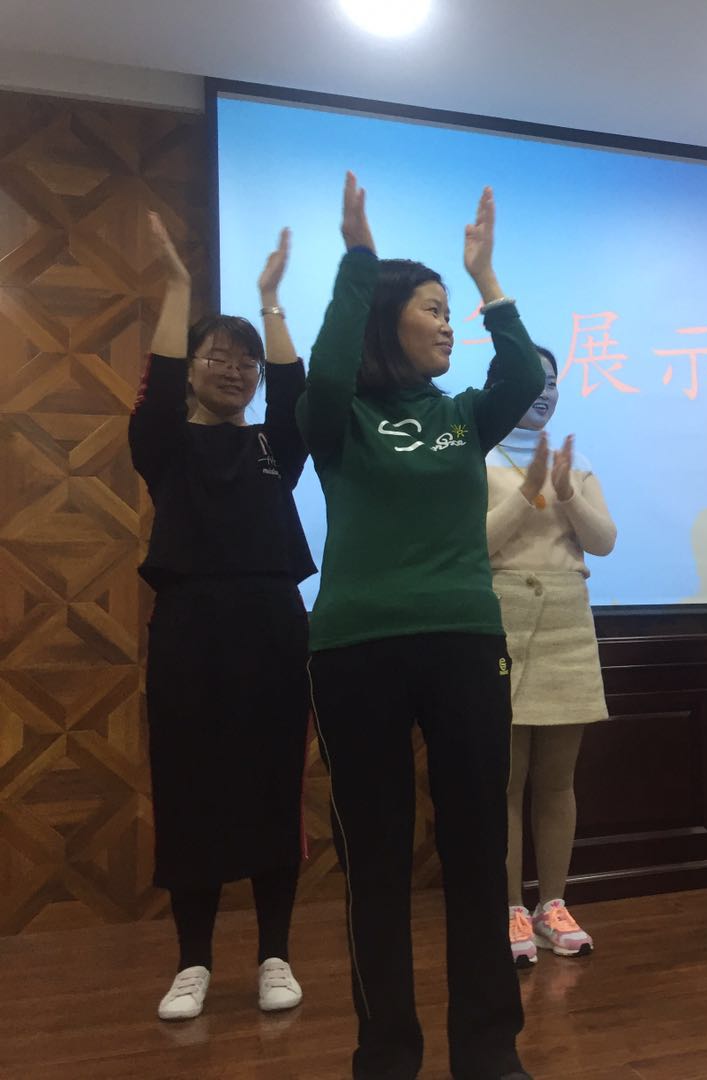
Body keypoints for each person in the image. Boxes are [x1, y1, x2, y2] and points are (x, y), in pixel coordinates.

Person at [298, 174, 544, 1080]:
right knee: (375, 858)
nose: (448, 327)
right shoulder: (338, 419)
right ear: (386, 320)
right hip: (353, 648)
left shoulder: (461, 416)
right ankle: (386, 1053)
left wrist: (485, 280)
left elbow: (525, 374)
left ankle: (488, 1049)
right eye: (433, 311)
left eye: (450, 313)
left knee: (478, 849)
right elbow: (329, 368)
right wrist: (358, 260)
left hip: (464, 642)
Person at [129, 215, 311, 1021]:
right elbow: (158, 385)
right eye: (217, 357)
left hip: (273, 627)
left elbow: (297, 392)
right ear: (191, 370)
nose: (234, 370)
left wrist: (271, 299)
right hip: (188, 632)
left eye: (245, 362)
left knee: (274, 788)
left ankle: (275, 955)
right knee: (188, 789)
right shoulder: (164, 446)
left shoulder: (275, 445)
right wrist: (177, 286)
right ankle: (192, 964)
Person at [486, 347, 616, 967]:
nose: (544, 392)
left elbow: (603, 541)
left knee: (558, 781)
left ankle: (552, 904)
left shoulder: (576, 462)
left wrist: (565, 492)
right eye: (531, 381)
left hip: (567, 617)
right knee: (507, 782)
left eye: (553, 382)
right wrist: (527, 491)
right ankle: (511, 906)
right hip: (502, 616)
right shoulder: (475, 455)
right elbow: (474, 543)